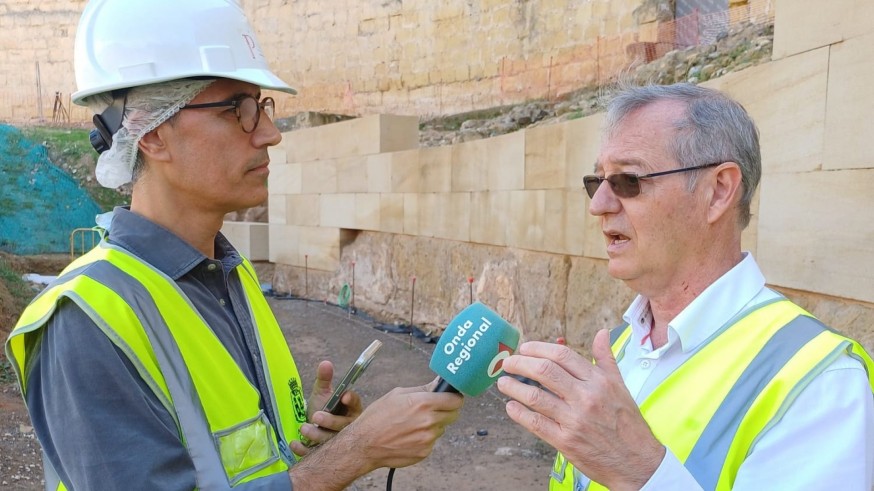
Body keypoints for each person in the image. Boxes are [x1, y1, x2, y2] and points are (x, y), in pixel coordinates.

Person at [4, 1, 463, 489]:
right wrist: (355, 453)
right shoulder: (85, 320)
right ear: (152, 134)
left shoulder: (229, 272)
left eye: (262, 107)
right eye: (238, 110)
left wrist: (311, 444)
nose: (270, 134)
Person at [496, 83, 874, 490]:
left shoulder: (819, 383)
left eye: (627, 180)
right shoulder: (622, 346)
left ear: (719, 191)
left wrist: (640, 471)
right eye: (597, 181)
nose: (598, 205)